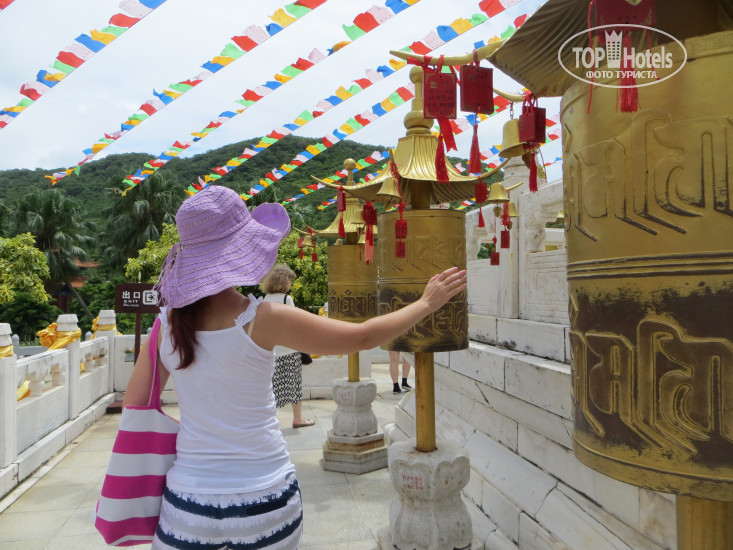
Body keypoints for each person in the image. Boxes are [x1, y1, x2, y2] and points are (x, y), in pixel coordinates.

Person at [122, 185, 467, 550]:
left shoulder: (166, 325)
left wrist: (200, 432)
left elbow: (136, 404)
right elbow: (362, 337)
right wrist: (426, 303)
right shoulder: (263, 318)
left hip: (187, 505)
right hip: (265, 497)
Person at [261, 263, 314, 428]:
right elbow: (295, 323)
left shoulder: (265, 300)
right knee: (295, 385)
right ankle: (298, 418)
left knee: (272, 387)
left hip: (273, 350)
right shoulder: (286, 299)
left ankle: (271, 420)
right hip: (290, 349)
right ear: (284, 282)